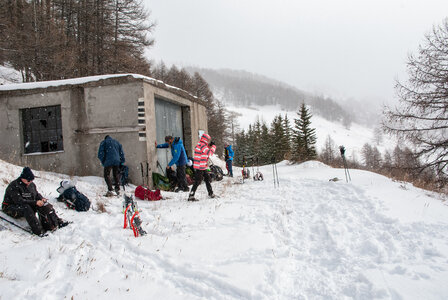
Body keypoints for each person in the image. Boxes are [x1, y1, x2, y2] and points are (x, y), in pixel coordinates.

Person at [2, 167, 69, 236]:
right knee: (26, 208)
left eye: (31, 181)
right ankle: (38, 231)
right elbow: (19, 201)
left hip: (27, 203)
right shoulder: (14, 186)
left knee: (45, 205)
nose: (29, 182)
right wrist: (35, 202)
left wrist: (41, 199)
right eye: (28, 181)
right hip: (10, 207)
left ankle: (55, 223)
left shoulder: (31, 185)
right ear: (23, 178)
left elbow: (36, 194)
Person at [188, 133, 216, 201]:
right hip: (200, 167)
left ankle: (210, 193)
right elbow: (209, 153)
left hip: (202, 166)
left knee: (207, 179)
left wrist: (210, 146)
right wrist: (213, 147)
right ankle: (191, 196)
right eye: (208, 139)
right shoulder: (202, 145)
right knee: (197, 181)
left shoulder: (201, 144)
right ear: (205, 139)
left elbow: (205, 151)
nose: (209, 140)